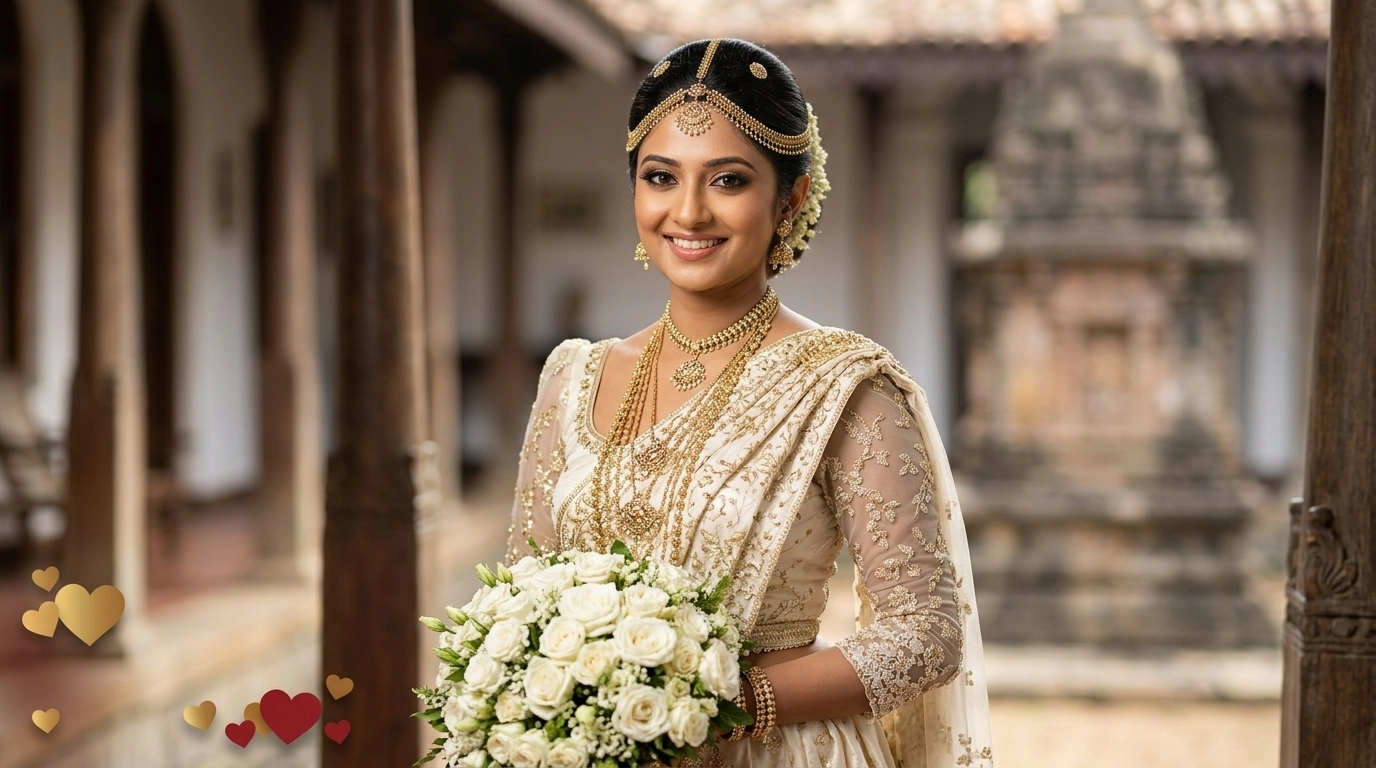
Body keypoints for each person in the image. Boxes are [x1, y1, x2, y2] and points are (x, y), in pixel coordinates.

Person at [506, 38, 992, 768]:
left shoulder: (846, 386)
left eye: (727, 181)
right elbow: (520, 599)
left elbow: (926, 634)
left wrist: (720, 701)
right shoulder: (573, 376)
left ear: (788, 199)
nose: (688, 212)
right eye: (661, 177)